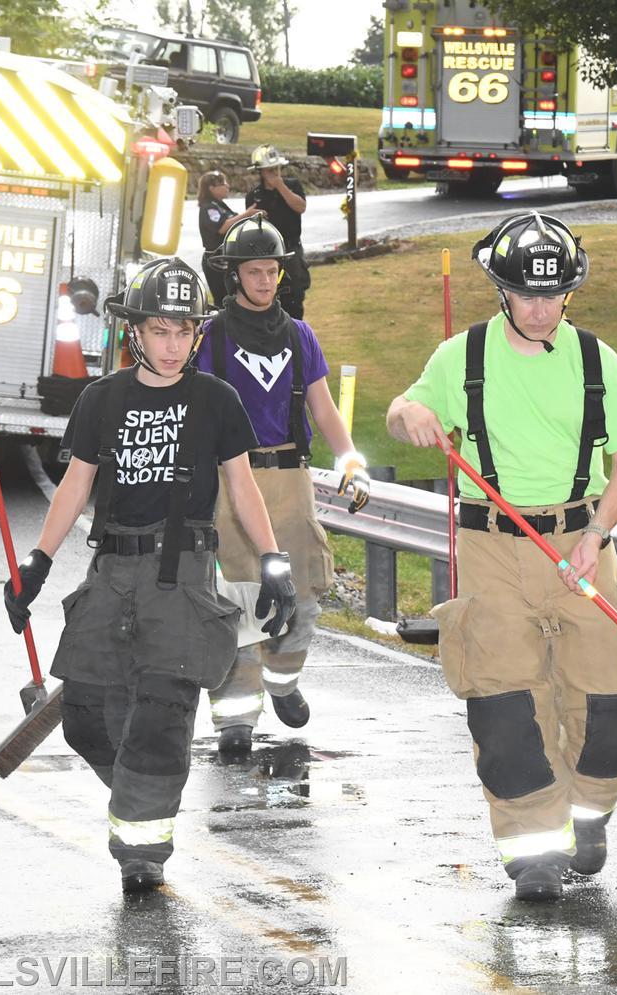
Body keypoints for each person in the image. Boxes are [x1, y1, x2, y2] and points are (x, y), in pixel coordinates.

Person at [3, 258, 296, 895]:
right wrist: (38, 563)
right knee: (84, 716)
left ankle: (143, 847)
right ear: (135, 330)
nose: (173, 344)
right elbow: (75, 485)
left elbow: (242, 487)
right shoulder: (101, 399)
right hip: (110, 571)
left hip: (185, 576)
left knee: (162, 714)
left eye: (184, 331)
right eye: (160, 330)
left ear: (198, 333)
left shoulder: (217, 400)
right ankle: (147, 790)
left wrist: (274, 561)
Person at [386, 212, 617, 902]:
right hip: (492, 549)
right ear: (501, 289)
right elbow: (404, 411)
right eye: (526, 294)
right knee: (507, 709)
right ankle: (534, 848)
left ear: (571, 291)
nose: (541, 307)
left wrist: (594, 537)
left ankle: (586, 812)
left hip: (582, 545)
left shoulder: (599, 360)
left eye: (554, 293)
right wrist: (407, 413)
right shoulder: (461, 358)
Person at [196, 216, 370, 760]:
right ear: (234, 275)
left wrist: (350, 459)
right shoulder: (211, 335)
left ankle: (284, 681)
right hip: (230, 478)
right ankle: (235, 719)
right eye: (255, 271)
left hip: (291, 476)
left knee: (303, 588)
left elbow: (322, 406)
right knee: (236, 595)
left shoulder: (300, 335)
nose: (266, 280)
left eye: (273, 270)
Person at [245, 145, 309, 319]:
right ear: (261, 172)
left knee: (294, 294)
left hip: (291, 248)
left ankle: (296, 332)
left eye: (277, 169)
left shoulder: (292, 185)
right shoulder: (255, 195)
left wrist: (280, 186)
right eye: (270, 170)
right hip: (266, 253)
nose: (274, 173)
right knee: (267, 295)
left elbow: (300, 206)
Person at [197, 170, 264, 305]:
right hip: (216, 260)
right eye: (223, 183)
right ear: (211, 188)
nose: (227, 186)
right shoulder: (209, 207)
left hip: (228, 257)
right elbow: (221, 228)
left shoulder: (220, 206)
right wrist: (246, 214)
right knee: (223, 300)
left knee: (235, 297)